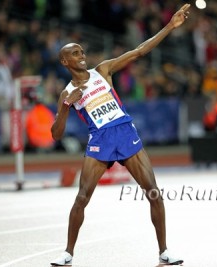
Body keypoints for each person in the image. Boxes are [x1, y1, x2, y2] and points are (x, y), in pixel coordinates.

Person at [50, 3, 191, 266]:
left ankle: (164, 251)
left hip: (124, 132)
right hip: (100, 139)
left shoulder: (102, 71)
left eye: (81, 51)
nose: (81, 56)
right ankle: (67, 253)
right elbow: (56, 135)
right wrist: (67, 106)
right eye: (74, 53)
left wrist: (170, 26)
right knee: (82, 197)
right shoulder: (66, 93)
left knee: (153, 192)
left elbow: (139, 51)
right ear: (64, 61)